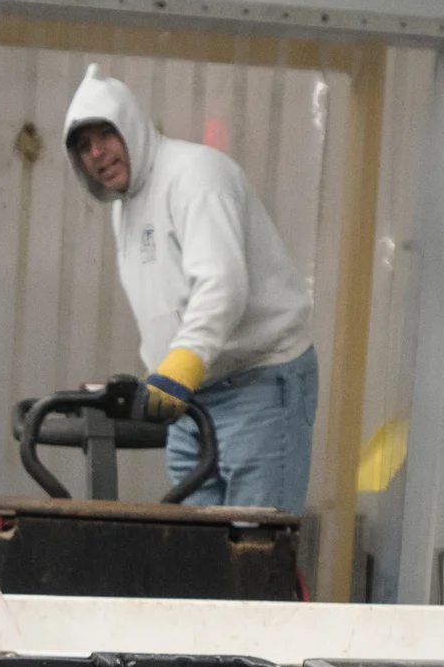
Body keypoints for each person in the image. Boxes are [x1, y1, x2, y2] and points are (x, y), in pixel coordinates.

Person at [63, 64, 320, 511]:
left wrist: (180, 367)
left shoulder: (195, 176)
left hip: (255, 382)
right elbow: (166, 303)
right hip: (190, 397)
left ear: (132, 126)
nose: (97, 153)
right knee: (199, 554)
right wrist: (153, 376)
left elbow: (223, 285)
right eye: (84, 147)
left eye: (105, 135)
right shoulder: (125, 209)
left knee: (255, 549)